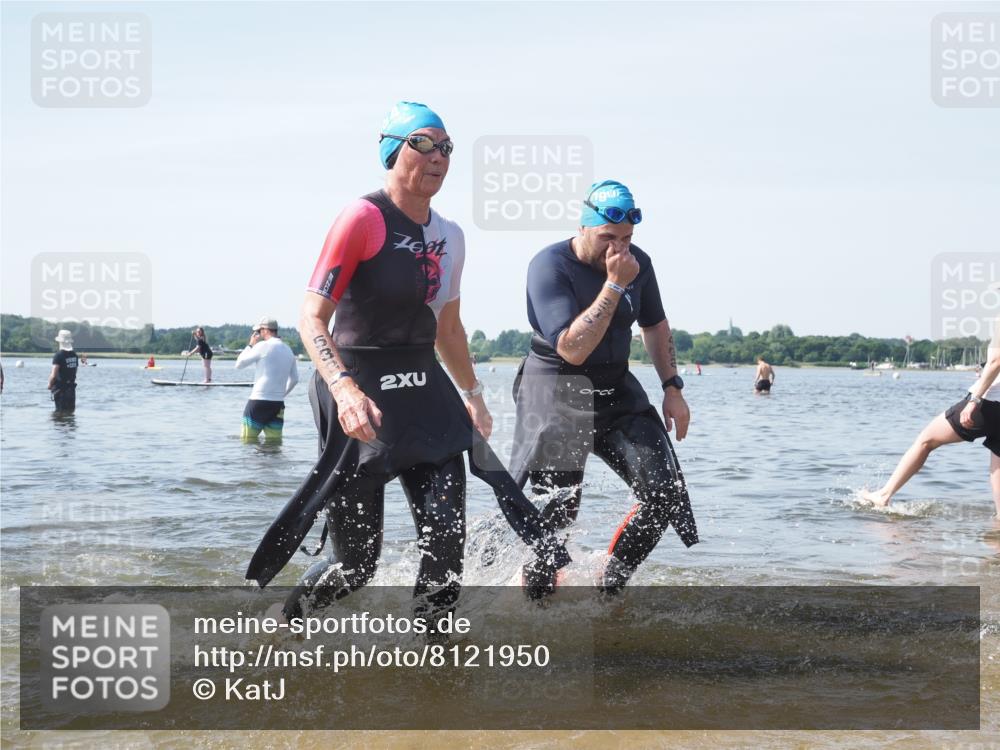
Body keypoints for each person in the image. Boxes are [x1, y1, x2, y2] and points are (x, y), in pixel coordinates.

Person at [246, 102, 569, 622]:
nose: (438, 156)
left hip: (424, 388)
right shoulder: (362, 219)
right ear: (391, 150)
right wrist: (346, 391)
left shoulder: (451, 237)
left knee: (446, 543)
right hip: (357, 386)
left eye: (446, 147)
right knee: (357, 565)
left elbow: (448, 328)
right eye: (423, 143)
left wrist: (473, 396)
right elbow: (311, 318)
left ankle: (431, 661)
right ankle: (289, 627)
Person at [508, 179, 699, 597]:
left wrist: (672, 387)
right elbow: (572, 349)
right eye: (607, 237)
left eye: (627, 238)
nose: (618, 248)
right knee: (554, 517)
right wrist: (613, 285)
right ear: (582, 227)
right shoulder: (550, 265)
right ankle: (534, 608)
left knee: (664, 493)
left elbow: (655, 324)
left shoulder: (638, 263)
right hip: (558, 389)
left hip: (615, 389)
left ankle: (607, 587)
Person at [862, 321, 1000, 515]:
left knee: (926, 441)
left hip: (991, 402)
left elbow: (996, 361)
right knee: (998, 464)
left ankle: (884, 495)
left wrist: (974, 401)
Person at [234, 317, 299, 442]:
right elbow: (295, 379)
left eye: (259, 331)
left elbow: (239, 364)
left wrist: (250, 344)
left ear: (265, 330)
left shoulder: (262, 346)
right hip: (277, 404)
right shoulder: (288, 350)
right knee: (274, 444)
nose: (258, 334)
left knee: (247, 441)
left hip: (258, 401)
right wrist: (281, 394)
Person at [48, 330, 80, 413]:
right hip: (71, 389)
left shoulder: (58, 355)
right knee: (70, 413)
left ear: (60, 342)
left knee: (60, 414)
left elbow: (53, 375)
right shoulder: (74, 355)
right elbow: (75, 371)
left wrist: (50, 385)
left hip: (61, 390)